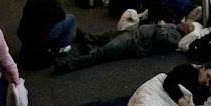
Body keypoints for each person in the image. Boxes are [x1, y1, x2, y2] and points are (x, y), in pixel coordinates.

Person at [53, 21, 197, 74]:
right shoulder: (172, 25)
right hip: (134, 33)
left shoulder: (175, 39)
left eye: (185, 26)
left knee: (103, 53)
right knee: (106, 35)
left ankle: (68, 65)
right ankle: (86, 39)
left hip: (135, 43)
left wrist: (160, 25)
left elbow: (160, 37)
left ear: (185, 32)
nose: (182, 23)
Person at [17, 0, 76, 65]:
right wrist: (56, 1)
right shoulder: (49, 1)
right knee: (70, 18)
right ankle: (61, 46)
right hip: (41, 36)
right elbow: (60, 16)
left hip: (24, 33)